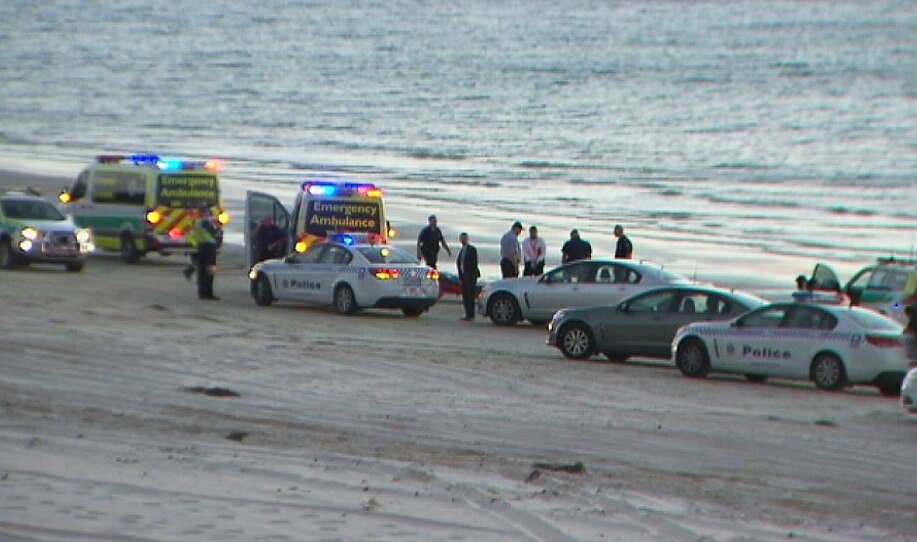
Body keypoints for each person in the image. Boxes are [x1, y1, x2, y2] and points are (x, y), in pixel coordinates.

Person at [188, 205, 219, 300]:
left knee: (201, 271)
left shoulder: (197, 222)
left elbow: (192, 237)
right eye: (208, 212)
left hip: (201, 247)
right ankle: (208, 293)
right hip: (209, 248)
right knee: (210, 271)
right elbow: (214, 233)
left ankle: (202, 293)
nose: (209, 213)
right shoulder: (206, 222)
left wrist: (194, 246)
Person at [456, 232, 481, 321]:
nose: (463, 240)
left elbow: (474, 263)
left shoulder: (472, 249)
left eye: (464, 238)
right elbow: (459, 263)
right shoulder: (462, 250)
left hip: (470, 276)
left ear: (467, 239)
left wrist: (469, 275)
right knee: (465, 296)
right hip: (463, 276)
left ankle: (471, 314)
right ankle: (468, 314)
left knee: (470, 295)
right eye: (461, 239)